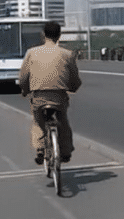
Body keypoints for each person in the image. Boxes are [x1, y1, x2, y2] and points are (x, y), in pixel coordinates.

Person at [19, 21, 82, 165]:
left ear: (43, 35)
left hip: (39, 97)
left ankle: (40, 149)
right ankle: (65, 152)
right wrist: (72, 88)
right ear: (59, 35)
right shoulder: (67, 54)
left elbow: (23, 77)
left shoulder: (32, 53)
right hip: (59, 97)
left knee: (38, 122)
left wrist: (24, 90)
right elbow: (75, 79)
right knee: (63, 122)